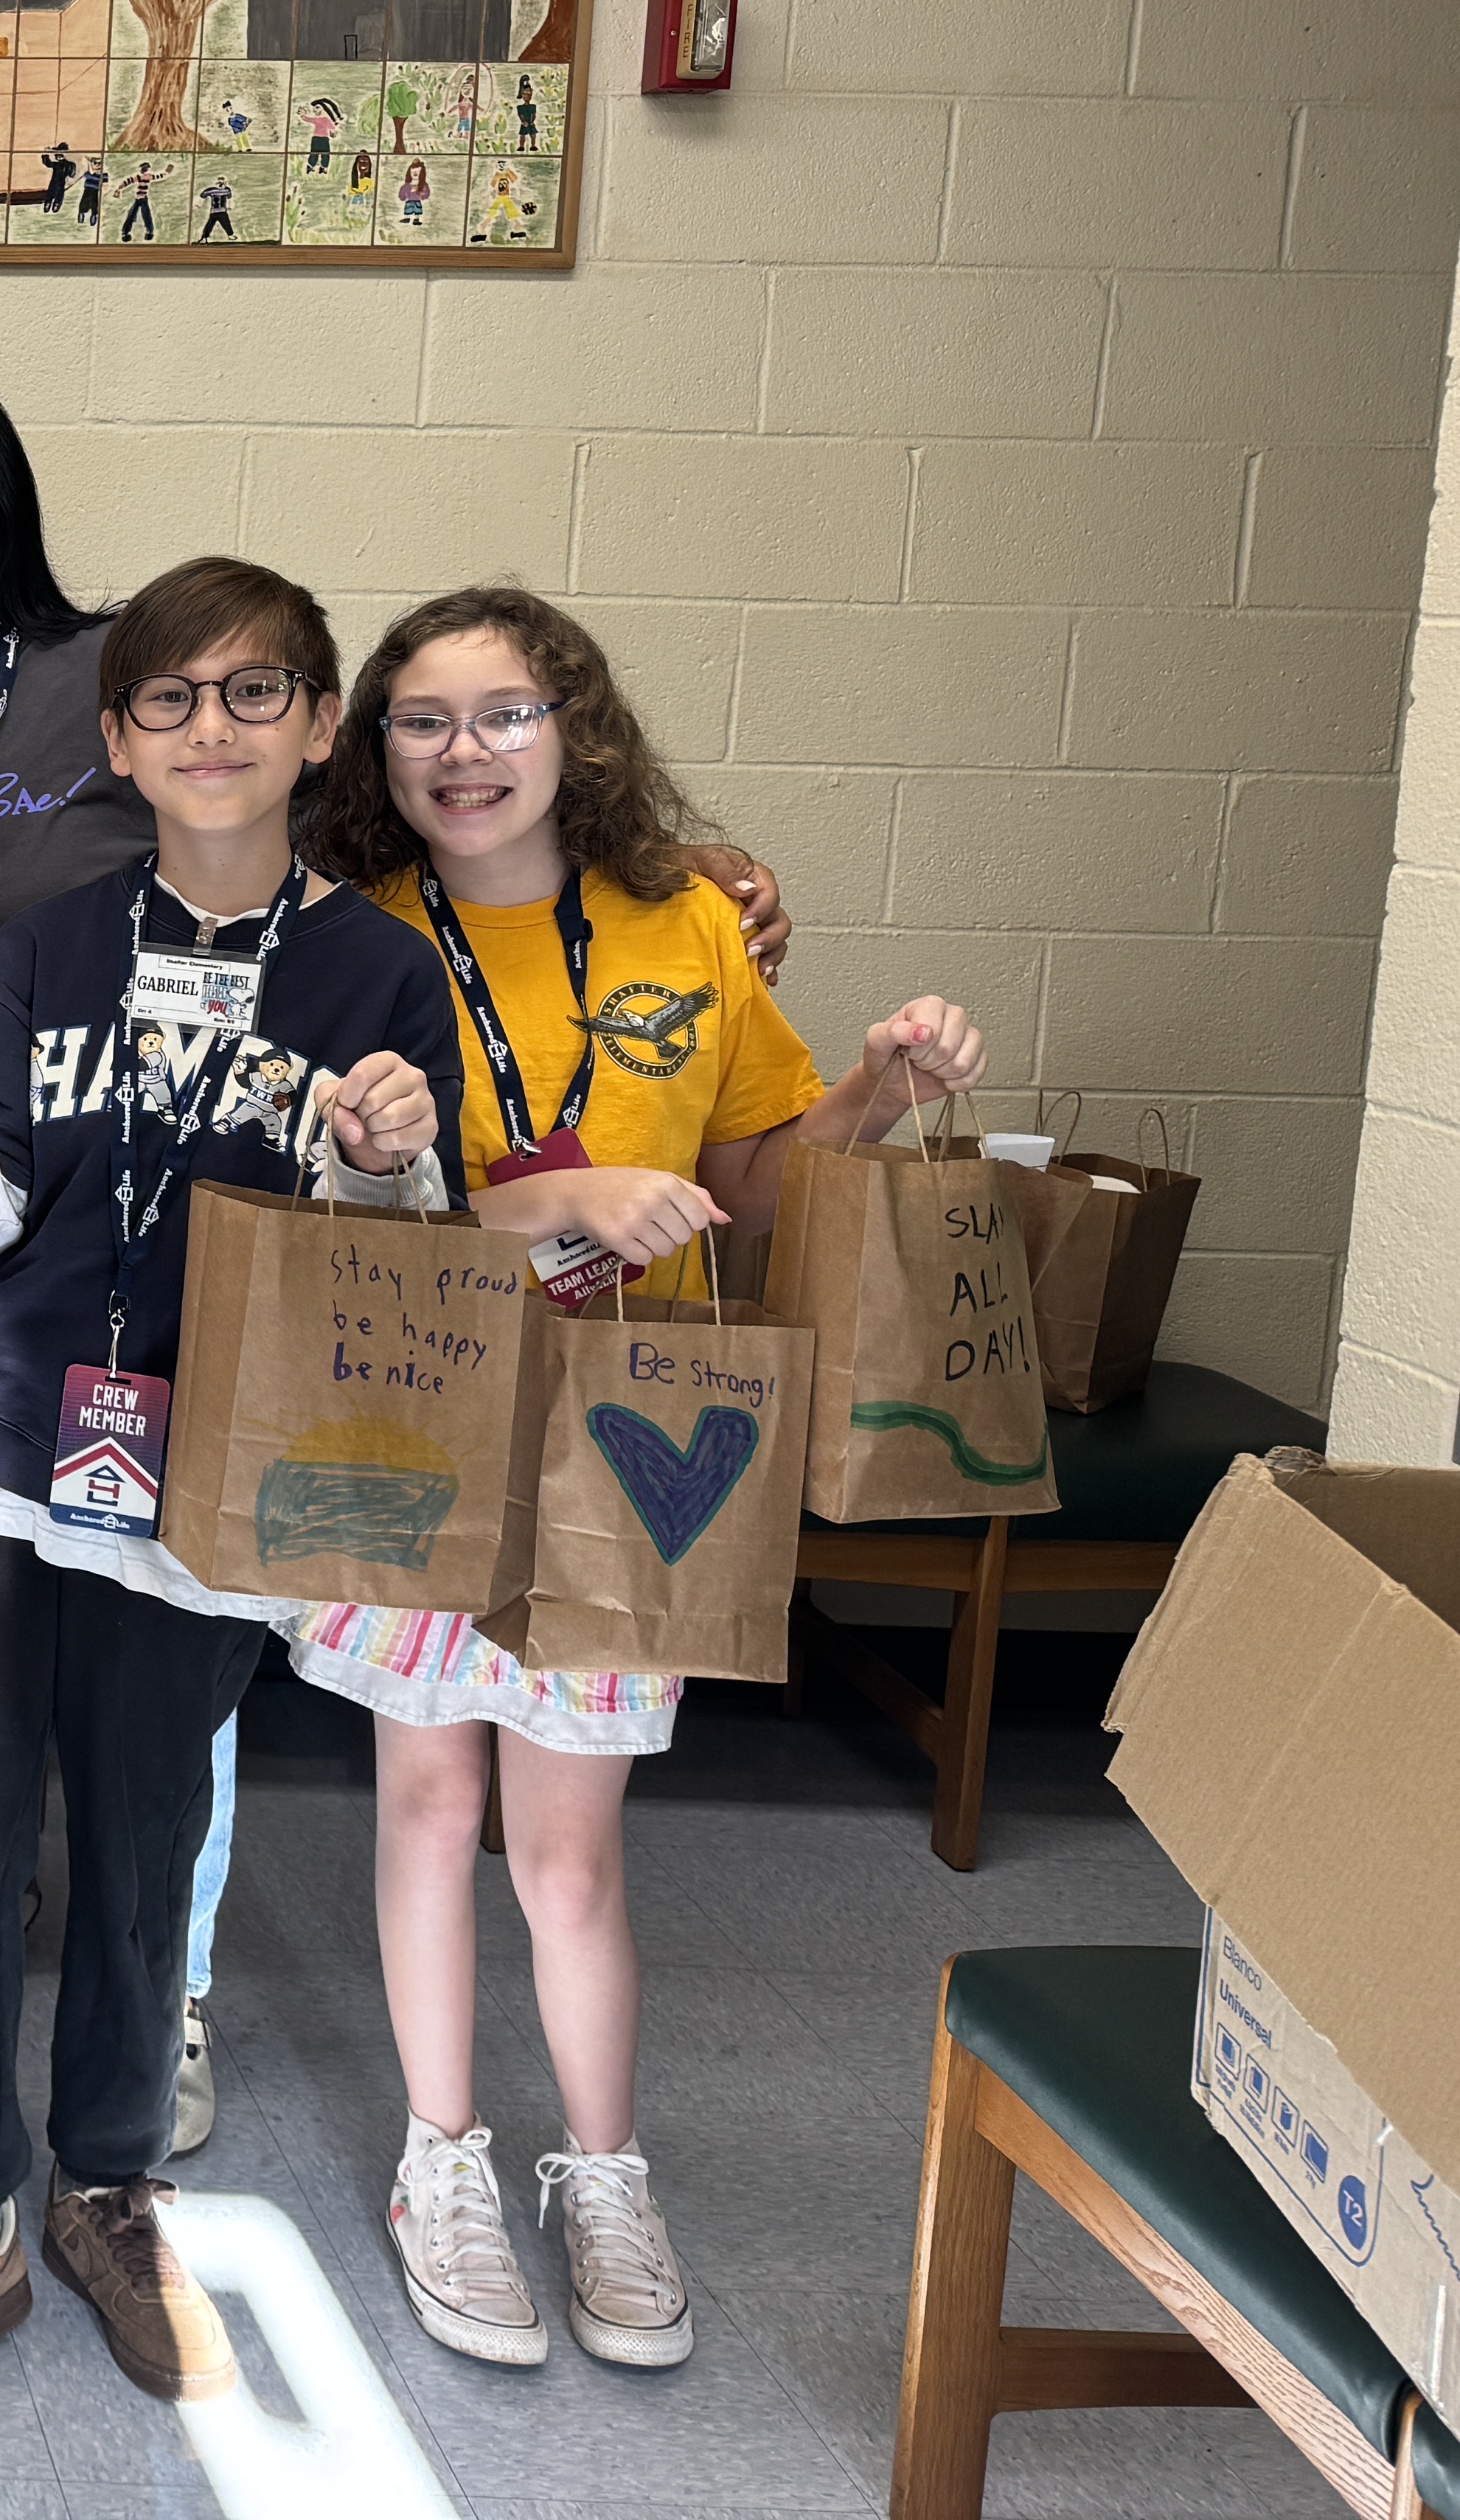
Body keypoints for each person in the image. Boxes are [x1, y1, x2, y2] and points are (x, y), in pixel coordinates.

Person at [0, 556, 454, 2429]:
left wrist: (381, 1159)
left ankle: (108, 2187)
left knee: (149, 1851)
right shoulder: (54, 945)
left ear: (321, 729)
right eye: (170, 699)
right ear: (121, 740)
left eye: (254, 693)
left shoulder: (382, 974)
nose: (209, 728)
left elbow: (401, 1273)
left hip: (211, 1481)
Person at [282, 585, 982, 2380]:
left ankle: (606, 2175)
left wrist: (879, 1085)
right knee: (429, 1802)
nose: (466, 754)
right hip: (416, 1410)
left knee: (572, 1849)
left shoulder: (686, 928)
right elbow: (339, 1207)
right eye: (425, 720)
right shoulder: (351, 931)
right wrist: (562, 1200)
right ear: (377, 749)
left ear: (574, 728)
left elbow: (754, 1191)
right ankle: (442, 2163)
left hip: (630, 1435)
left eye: (506, 714)